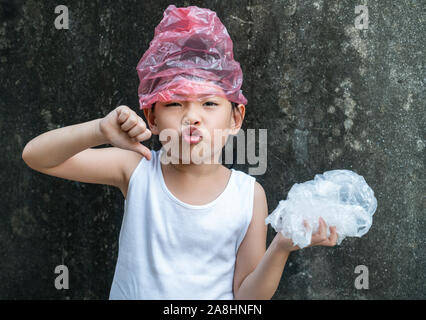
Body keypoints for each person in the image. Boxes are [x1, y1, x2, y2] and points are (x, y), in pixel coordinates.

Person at [21, 5, 338, 300]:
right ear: (152, 118)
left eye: (210, 103)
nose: (192, 116)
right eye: (174, 103)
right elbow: (36, 156)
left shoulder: (248, 195)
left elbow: (246, 296)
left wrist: (281, 247)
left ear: (235, 118)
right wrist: (99, 130)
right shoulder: (136, 169)